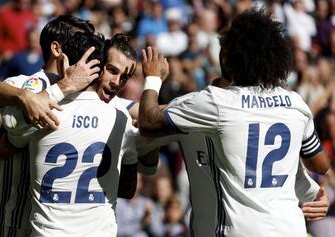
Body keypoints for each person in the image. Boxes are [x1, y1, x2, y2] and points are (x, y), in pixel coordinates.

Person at [137, 9, 329, 236]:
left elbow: (148, 121)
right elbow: (321, 165)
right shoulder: (295, 103)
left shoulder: (215, 102)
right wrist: (316, 193)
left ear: (228, 60)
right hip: (289, 229)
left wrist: (151, 78)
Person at [0, 31, 136, 236]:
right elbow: (128, 188)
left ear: (64, 63)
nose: (117, 82)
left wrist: (59, 89)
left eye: (125, 77)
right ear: (98, 69)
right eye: (111, 70)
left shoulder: (43, 111)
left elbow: (2, 144)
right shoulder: (121, 118)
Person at [0, 15, 98, 237]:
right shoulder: (29, 83)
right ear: (56, 48)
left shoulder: (87, 93)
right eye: (79, 42)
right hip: (16, 221)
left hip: (60, 224)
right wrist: (23, 96)